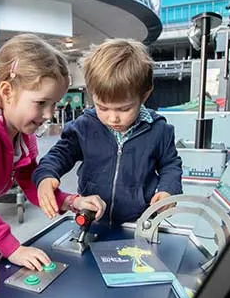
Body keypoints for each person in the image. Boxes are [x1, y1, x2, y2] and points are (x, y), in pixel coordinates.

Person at [0, 34, 106, 271]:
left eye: (54, 104)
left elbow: (30, 181)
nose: (49, 114)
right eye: (41, 103)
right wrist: (14, 249)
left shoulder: (23, 131)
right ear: (7, 90)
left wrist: (72, 201)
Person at [33, 38, 182, 226]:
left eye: (124, 109)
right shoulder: (85, 126)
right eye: (102, 108)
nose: (113, 118)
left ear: (145, 94)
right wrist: (46, 175)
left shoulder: (159, 130)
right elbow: (60, 153)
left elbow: (170, 165)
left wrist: (168, 189)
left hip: (139, 222)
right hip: (93, 218)